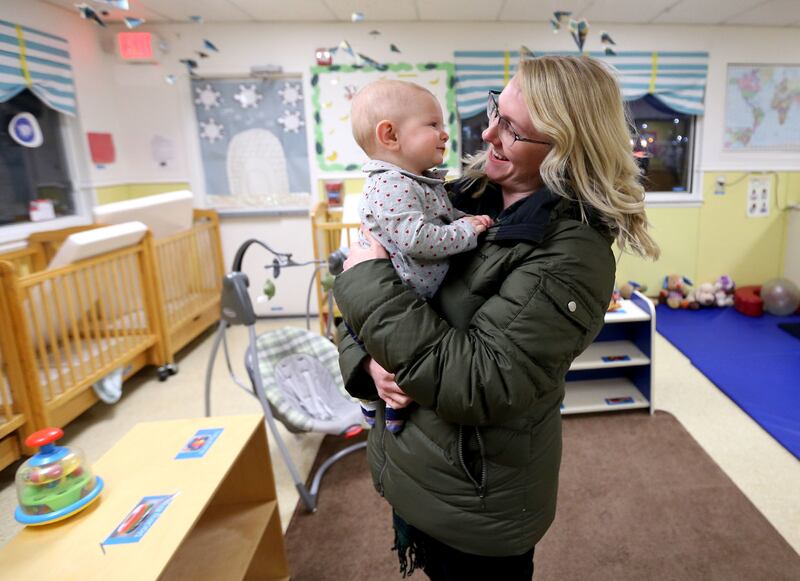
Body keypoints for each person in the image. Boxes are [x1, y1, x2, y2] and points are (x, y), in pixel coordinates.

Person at [335, 55, 660, 580]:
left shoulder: (570, 252)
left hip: (478, 499)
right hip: (415, 466)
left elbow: (478, 383)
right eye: (495, 111)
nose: (487, 132)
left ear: (566, 146)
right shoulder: (455, 193)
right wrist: (370, 365)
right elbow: (350, 300)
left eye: (512, 128)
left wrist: (364, 284)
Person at [349, 79, 492, 433]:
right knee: (384, 354)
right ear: (390, 136)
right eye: (432, 125)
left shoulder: (419, 180)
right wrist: (468, 230)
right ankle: (374, 403)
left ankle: (384, 404)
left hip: (414, 298)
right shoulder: (391, 184)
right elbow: (417, 239)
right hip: (399, 296)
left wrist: (464, 220)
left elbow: (440, 217)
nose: (444, 134)